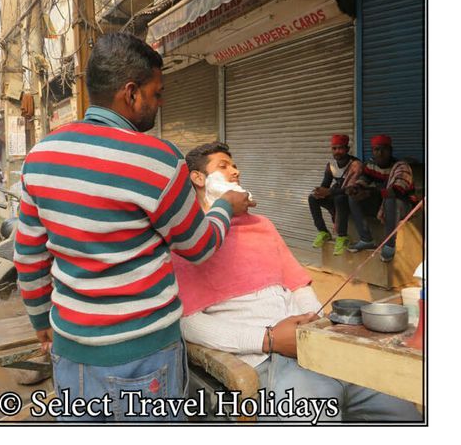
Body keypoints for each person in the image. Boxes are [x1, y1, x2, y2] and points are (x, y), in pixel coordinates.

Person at [13, 33, 249, 421]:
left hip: (71, 355)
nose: (161, 103)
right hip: (145, 359)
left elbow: (28, 256)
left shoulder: (41, 156)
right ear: (130, 93)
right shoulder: (157, 159)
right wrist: (225, 206)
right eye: (157, 94)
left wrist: (41, 322)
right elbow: (198, 245)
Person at [172, 142, 422, 422]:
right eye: (223, 166)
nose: (235, 171)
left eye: (234, 164)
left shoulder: (262, 225)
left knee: (401, 411)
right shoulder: (189, 239)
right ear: (198, 178)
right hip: (268, 359)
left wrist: (312, 324)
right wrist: (269, 339)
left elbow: (298, 286)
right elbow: (189, 323)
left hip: (315, 344)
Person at [359, 134, 415, 261]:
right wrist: (356, 188)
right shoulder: (371, 165)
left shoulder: (401, 167)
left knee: (391, 200)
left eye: (384, 149)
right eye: (376, 150)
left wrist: (369, 192)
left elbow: (395, 191)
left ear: (390, 150)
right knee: (353, 197)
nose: (380, 153)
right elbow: (363, 180)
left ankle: (389, 245)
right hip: (382, 203)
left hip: (403, 205)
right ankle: (366, 239)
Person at [307, 134, 365, 254]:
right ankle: (323, 232)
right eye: (334, 148)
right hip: (336, 197)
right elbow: (325, 185)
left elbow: (351, 188)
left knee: (340, 198)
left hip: (352, 200)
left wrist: (329, 192)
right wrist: (320, 191)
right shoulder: (331, 165)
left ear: (347, 149)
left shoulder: (355, 164)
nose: (337, 151)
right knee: (312, 198)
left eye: (340, 148)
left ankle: (342, 236)